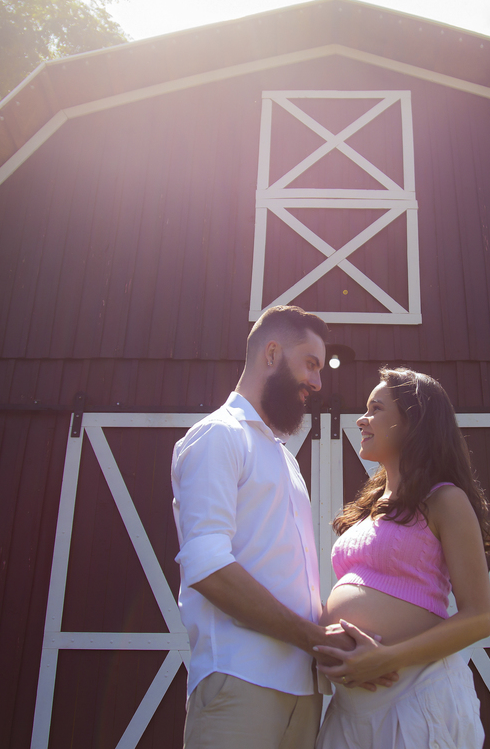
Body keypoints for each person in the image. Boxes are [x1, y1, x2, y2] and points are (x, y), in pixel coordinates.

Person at [171, 305, 377, 749]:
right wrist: (314, 638)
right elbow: (206, 567)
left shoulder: (284, 458)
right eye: (310, 364)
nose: (318, 383)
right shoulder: (218, 436)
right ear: (271, 354)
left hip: (304, 693)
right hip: (239, 683)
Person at [313, 367, 490, 749]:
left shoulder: (445, 500)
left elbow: (479, 618)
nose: (361, 419)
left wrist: (388, 658)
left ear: (414, 422)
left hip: (416, 696)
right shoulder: (369, 509)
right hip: (349, 711)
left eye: (376, 409)